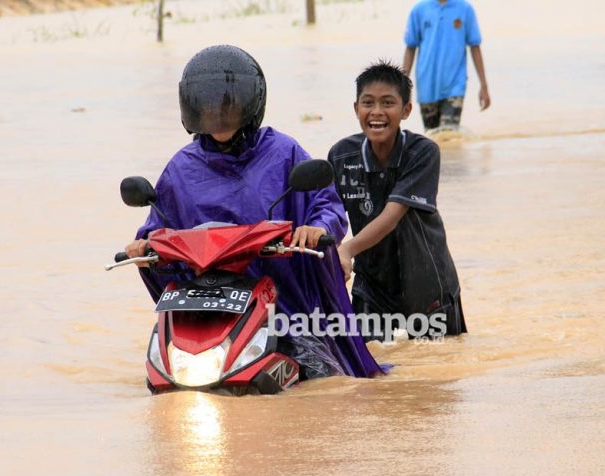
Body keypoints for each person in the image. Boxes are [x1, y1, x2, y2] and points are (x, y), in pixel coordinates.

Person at [124, 45, 384, 378]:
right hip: (208, 307)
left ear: (250, 103)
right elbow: (158, 223)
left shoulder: (282, 152)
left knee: (322, 381)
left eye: (226, 103)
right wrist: (143, 245)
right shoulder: (181, 168)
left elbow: (326, 202)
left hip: (282, 304)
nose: (217, 112)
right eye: (207, 103)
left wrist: (318, 228)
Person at [328, 61, 467, 340]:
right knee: (369, 374)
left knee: (439, 372)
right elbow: (327, 212)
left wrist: (346, 251)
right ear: (356, 108)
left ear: (406, 110)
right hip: (372, 289)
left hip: (429, 288)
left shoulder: (423, 152)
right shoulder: (341, 156)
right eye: (368, 103)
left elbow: (392, 216)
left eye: (387, 103)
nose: (377, 112)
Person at [401, 0, 490, 132]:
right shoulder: (419, 10)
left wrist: (483, 86)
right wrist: (403, 85)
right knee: (431, 138)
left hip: (455, 86)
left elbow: (475, 46)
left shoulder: (465, 9)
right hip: (426, 86)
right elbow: (410, 48)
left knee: (448, 134)